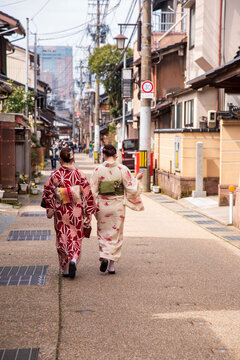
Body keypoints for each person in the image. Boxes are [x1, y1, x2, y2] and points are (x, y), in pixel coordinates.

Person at [42, 147, 98, 279]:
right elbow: (87, 193)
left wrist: (50, 208)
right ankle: (74, 258)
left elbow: (48, 191)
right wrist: (89, 211)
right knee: (76, 236)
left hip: (61, 211)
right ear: (73, 159)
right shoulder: (79, 174)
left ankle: (65, 269)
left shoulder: (55, 175)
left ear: (60, 159)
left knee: (63, 237)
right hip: (76, 210)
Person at [90, 144, 144, 274]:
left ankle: (104, 255)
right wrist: (136, 179)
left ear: (104, 155)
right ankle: (111, 266)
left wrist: (90, 206)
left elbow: (92, 191)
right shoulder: (122, 169)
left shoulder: (98, 170)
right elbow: (131, 188)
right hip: (117, 207)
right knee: (116, 234)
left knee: (103, 233)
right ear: (115, 155)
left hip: (103, 205)